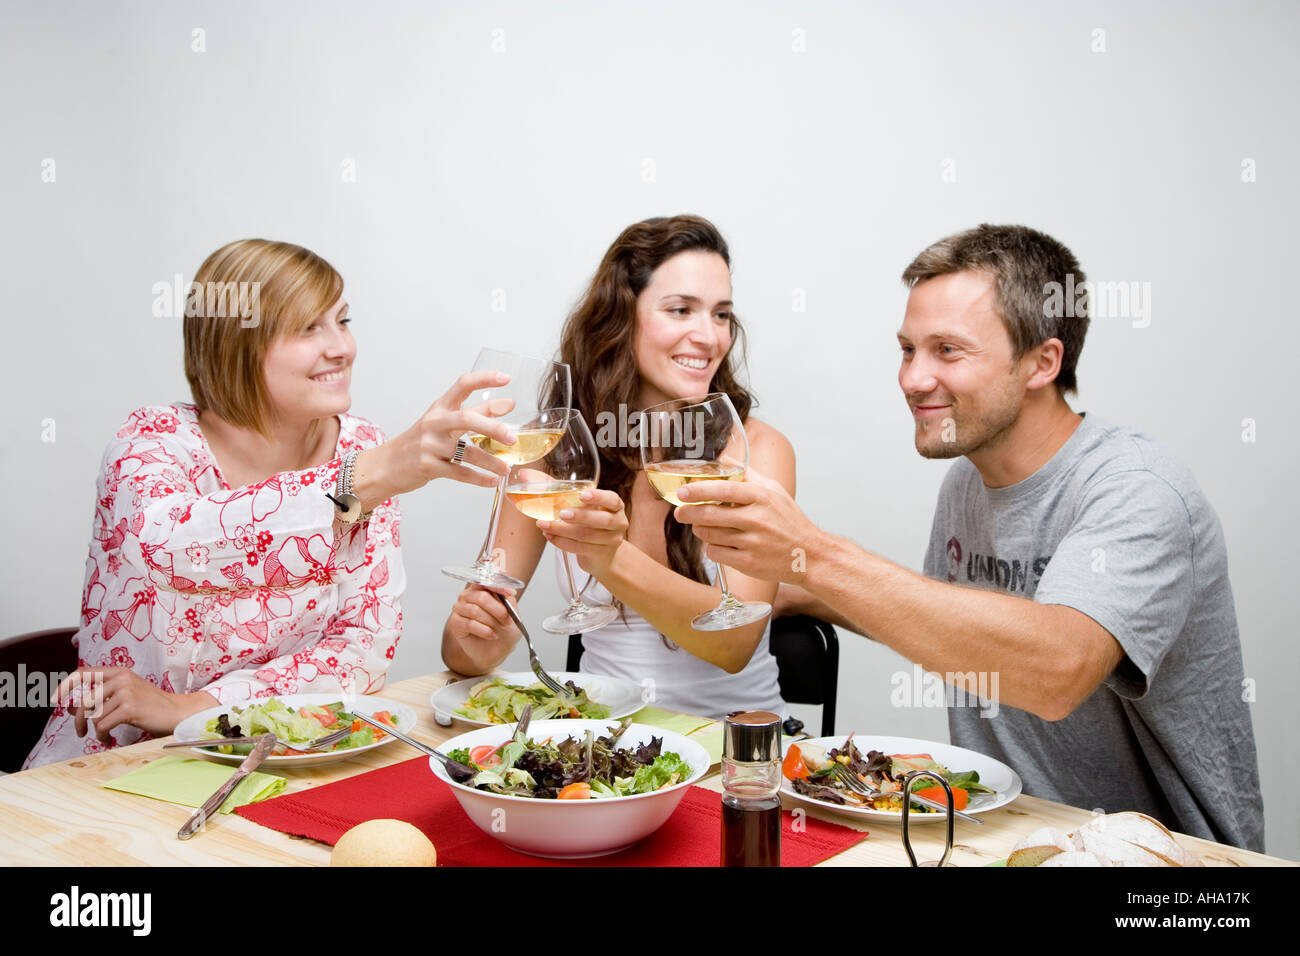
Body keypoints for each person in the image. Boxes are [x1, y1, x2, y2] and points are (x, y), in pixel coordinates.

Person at [675, 224, 1265, 850]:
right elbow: (955, 623)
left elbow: (1055, 673)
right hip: (1009, 837)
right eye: (907, 349)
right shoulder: (968, 479)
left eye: (948, 351)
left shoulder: (1137, 489)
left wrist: (817, 555)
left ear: (1043, 361)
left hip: (1166, 864)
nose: (912, 379)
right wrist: (801, 591)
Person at [25, 239, 516, 768]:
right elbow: (170, 550)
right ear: (237, 344)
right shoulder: (152, 443)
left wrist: (191, 708)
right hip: (120, 757)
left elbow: (358, 650)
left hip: (285, 753)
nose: (341, 348)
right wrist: (363, 478)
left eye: (343, 321)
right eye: (308, 328)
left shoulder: (360, 450)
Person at [440, 215, 796, 718]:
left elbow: (734, 643)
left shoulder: (756, 450)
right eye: (681, 310)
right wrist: (477, 638)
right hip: (604, 743)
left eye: (721, 315)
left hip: (731, 749)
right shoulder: (557, 452)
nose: (709, 336)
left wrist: (607, 558)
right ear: (622, 317)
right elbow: (466, 657)